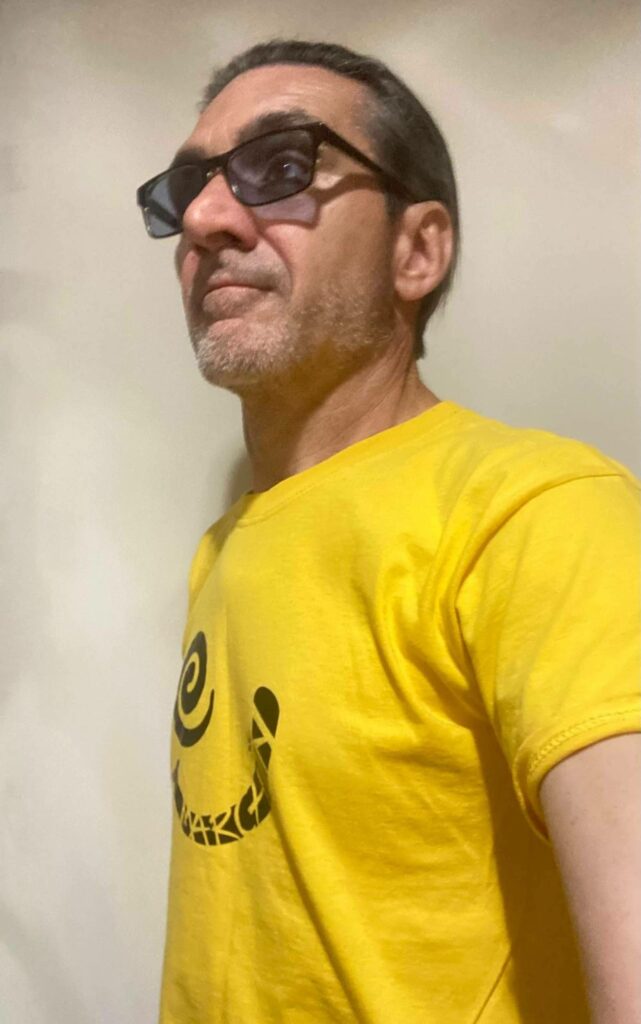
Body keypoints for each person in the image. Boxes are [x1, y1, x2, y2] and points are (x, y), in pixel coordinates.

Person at [136, 39, 641, 1024]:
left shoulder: (536, 510)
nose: (202, 220)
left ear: (416, 251)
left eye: (281, 165)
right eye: (187, 186)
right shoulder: (223, 549)